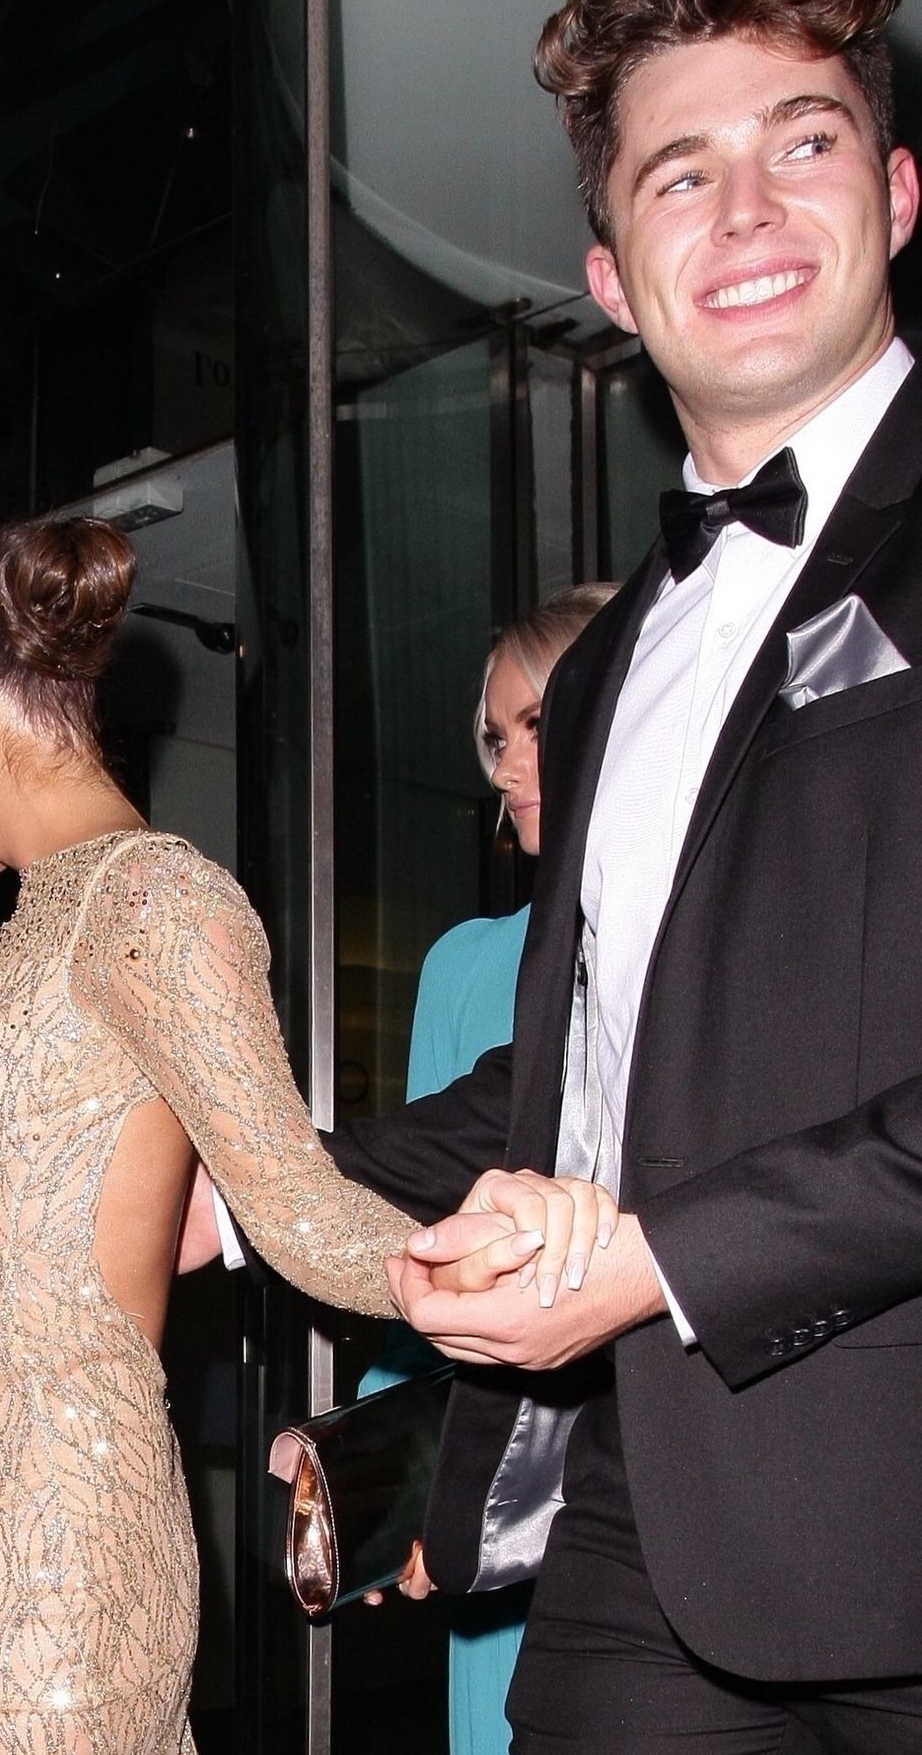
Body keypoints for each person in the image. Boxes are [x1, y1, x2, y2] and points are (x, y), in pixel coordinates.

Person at [327, 0, 922, 1753]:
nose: (743, 213)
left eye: (800, 143)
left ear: (899, 193)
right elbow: (579, 1072)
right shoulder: (601, 671)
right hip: (641, 1528)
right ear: (608, 277)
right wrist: (251, 1191)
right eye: (680, 174)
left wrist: (654, 1261)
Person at [0, 514, 428, 1755]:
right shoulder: (37, 926)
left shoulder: (153, 901)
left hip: (67, 1558)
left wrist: (553, 1276)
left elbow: (303, 1214)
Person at [360, 585, 615, 1755]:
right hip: (493, 1447)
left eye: (533, 728)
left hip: (646, 1460)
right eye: (493, 736)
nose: (504, 767)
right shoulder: (463, 964)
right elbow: (407, 1226)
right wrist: (399, 1463)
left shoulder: (691, 940)